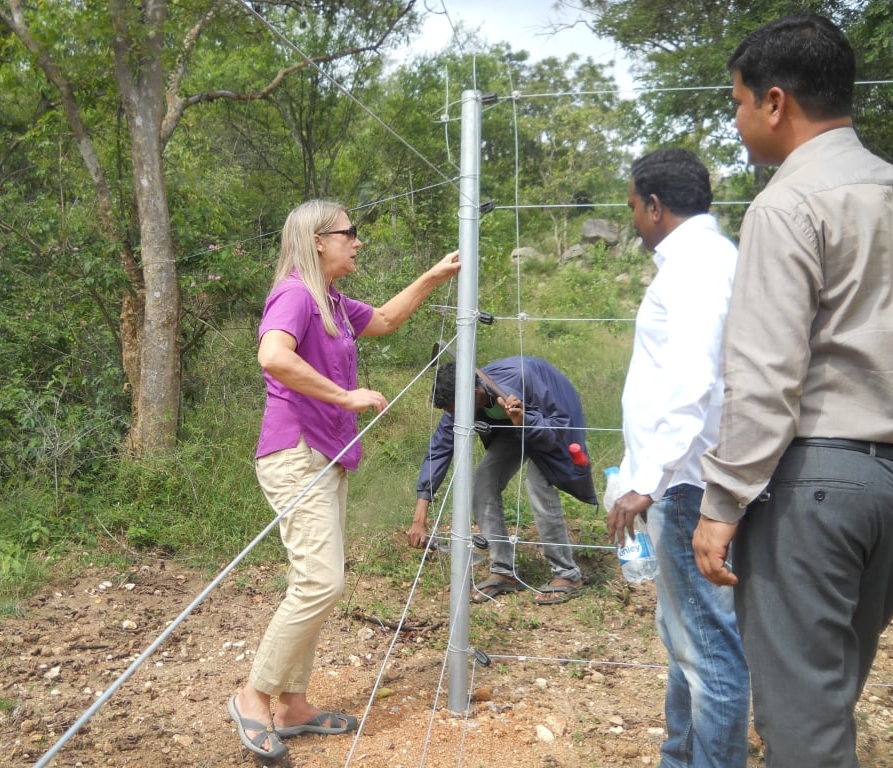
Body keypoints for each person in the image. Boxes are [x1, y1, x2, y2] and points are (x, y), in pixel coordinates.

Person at [691, 14, 893, 767]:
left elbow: (767, 377)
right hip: (884, 488)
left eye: (740, 104)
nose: (740, 124)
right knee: (835, 687)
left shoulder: (787, 204)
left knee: (804, 729)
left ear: (775, 102)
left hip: (815, 488)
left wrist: (722, 503)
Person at [228, 200, 460, 761]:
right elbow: (272, 356)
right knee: (321, 583)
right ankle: (254, 696)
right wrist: (344, 396)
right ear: (316, 241)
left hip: (326, 455)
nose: (357, 242)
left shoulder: (330, 300)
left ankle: (294, 704)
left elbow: (382, 321)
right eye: (348, 233)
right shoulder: (295, 294)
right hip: (295, 453)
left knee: (317, 580)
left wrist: (434, 275)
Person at [606, 148, 748, 768]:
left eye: (635, 207)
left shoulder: (695, 266)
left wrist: (648, 478)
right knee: (687, 637)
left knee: (709, 650)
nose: (635, 219)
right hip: (686, 477)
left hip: (689, 482)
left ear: (656, 206)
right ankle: (680, 756)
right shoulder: (707, 260)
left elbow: (695, 379)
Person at [408, 356, 597, 604]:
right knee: (483, 481)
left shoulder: (519, 380)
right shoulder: (460, 401)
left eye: (454, 410)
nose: (454, 416)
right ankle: (503, 571)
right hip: (513, 424)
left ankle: (567, 574)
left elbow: (555, 429)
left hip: (554, 422)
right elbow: (440, 449)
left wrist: (524, 422)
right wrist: (419, 516)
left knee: (538, 485)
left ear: (474, 393)